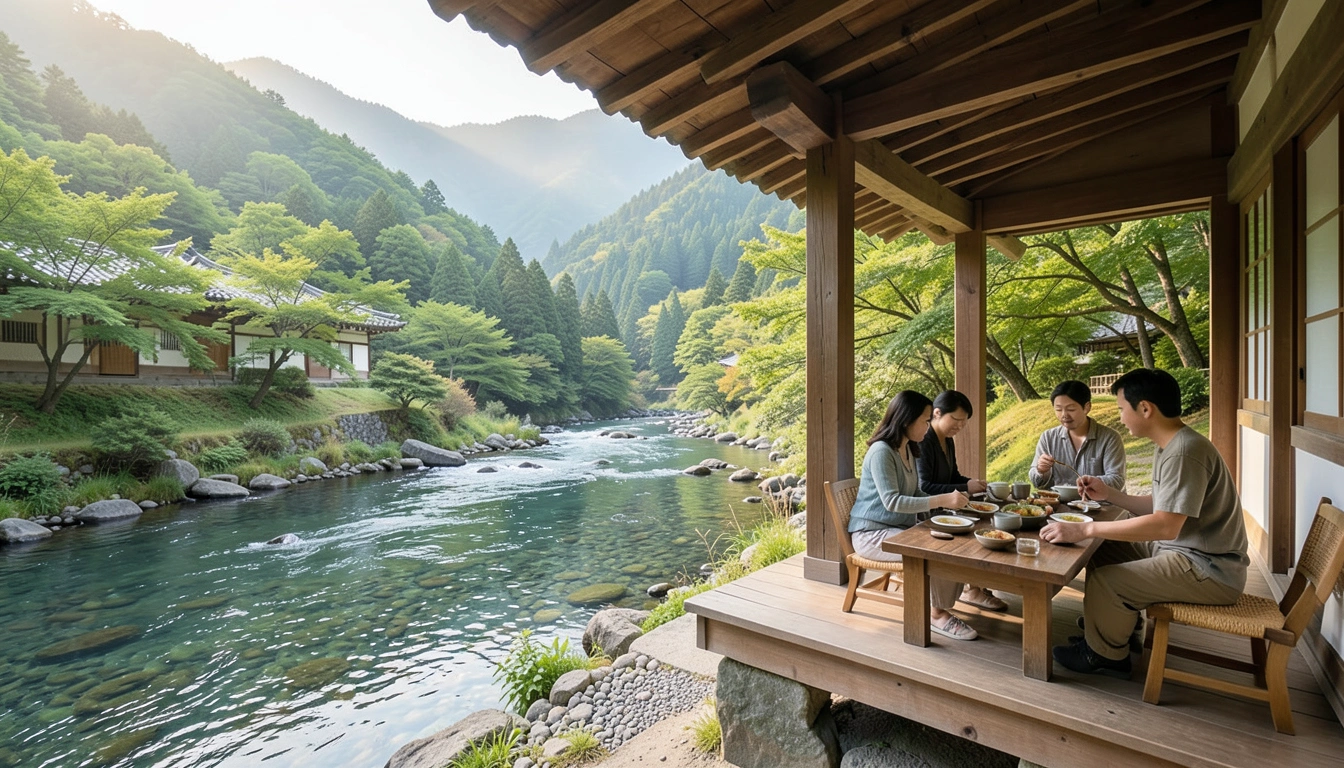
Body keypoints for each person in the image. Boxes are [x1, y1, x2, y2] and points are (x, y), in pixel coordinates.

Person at [1040, 368, 1248, 677]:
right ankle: (1114, 626)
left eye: (1122, 409)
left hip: (1208, 569)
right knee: (1102, 547)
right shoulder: (1172, 445)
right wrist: (1110, 494)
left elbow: (1165, 525)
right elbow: (1162, 505)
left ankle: (1106, 655)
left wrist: (1085, 528)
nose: (1121, 417)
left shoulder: (1184, 452)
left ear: (1145, 408)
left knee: (1106, 580)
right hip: (1182, 553)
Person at [849, 390, 977, 641]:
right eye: (925, 421)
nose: (928, 426)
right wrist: (943, 499)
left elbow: (916, 492)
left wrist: (947, 509)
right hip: (871, 534)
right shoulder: (881, 452)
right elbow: (892, 501)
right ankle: (936, 615)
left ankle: (945, 604)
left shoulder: (907, 448)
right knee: (936, 550)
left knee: (952, 540)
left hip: (898, 528)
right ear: (907, 420)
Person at [918, 390, 1008, 613]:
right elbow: (923, 487)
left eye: (963, 423)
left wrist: (971, 483)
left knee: (986, 523)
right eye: (955, 420)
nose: (959, 426)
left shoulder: (947, 440)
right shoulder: (924, 441)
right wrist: (965, 488)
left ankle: (974, 587)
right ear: (937, 413)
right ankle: (971, 590)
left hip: (946, 507)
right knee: (975, 530)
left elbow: (953, 476)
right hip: (927, 512)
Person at [1029, 380, 1126, 492]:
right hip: (1059, 502)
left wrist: (1089, 483)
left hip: (1099, 502)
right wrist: (1041, 470)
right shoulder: (1048, 438)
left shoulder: (1110, 438)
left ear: (1087, 407)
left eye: (1071, 409)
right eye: (1058, 409)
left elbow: (1117, 480)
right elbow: (1036, 482)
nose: (1064, 415)